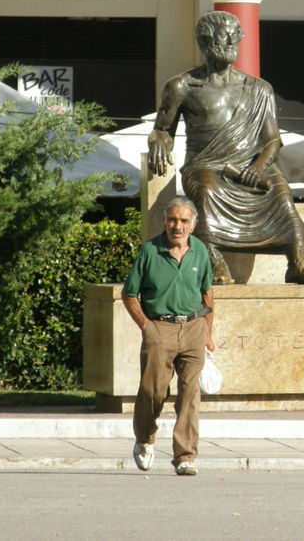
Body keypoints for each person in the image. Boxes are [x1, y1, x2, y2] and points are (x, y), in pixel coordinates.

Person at [147, 10, 304, 286]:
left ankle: (297, 263)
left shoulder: (259, 89)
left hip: (252, 166)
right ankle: (216, 263)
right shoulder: (182, 86)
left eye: (234, 37)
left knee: (282, 196)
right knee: (206, 193)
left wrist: (257, 167)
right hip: (206, 166)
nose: (230, 42)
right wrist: (157, 141)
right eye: (223, 37)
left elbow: (273, 141)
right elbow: (162, 129)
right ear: (205, 42)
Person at [121, 196, 214, 475]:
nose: (178, 226)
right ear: (165, 221)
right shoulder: (150, 250)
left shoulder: (200, 251)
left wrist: (208, 333)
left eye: (184, 221)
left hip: (194, 328)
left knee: (190, 393)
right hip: (159, 328)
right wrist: (147, 327)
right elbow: (129, 294)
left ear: (193, 225)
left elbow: (207, 293)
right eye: (173, 220)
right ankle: (145, 438)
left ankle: (185, 456)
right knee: (153, 392)